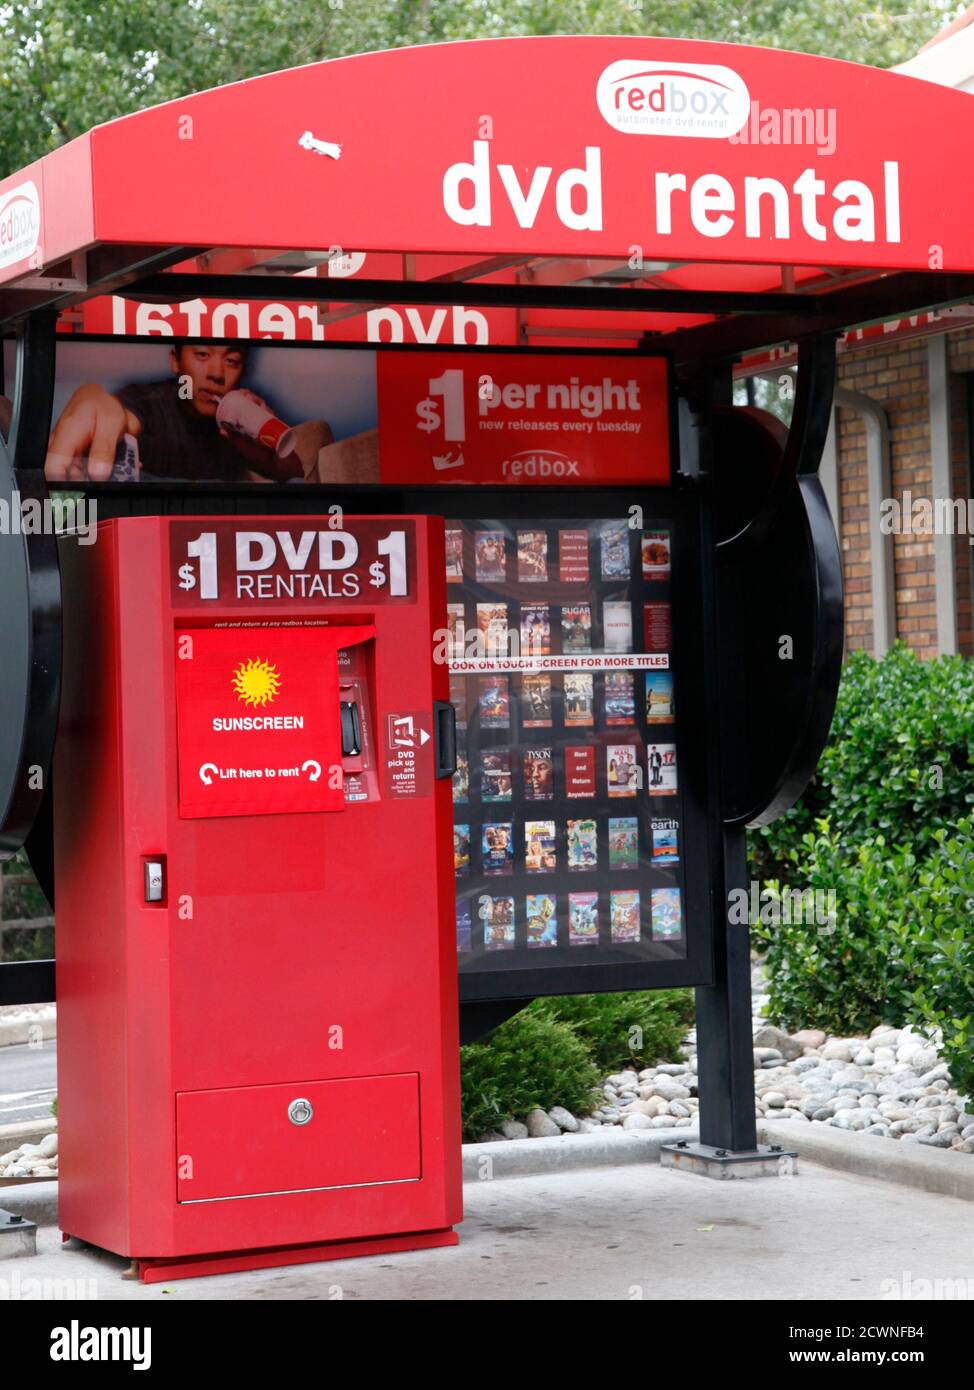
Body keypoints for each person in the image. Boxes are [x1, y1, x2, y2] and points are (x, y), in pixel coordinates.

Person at [44, 341, 333, 484]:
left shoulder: (243, 419)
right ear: (175, 361)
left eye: (232, 360)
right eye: (202, 355)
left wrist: (269, 458)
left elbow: (295, 472)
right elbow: (121, 414)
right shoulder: (151, 400)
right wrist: (96, 402)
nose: (217, 374)